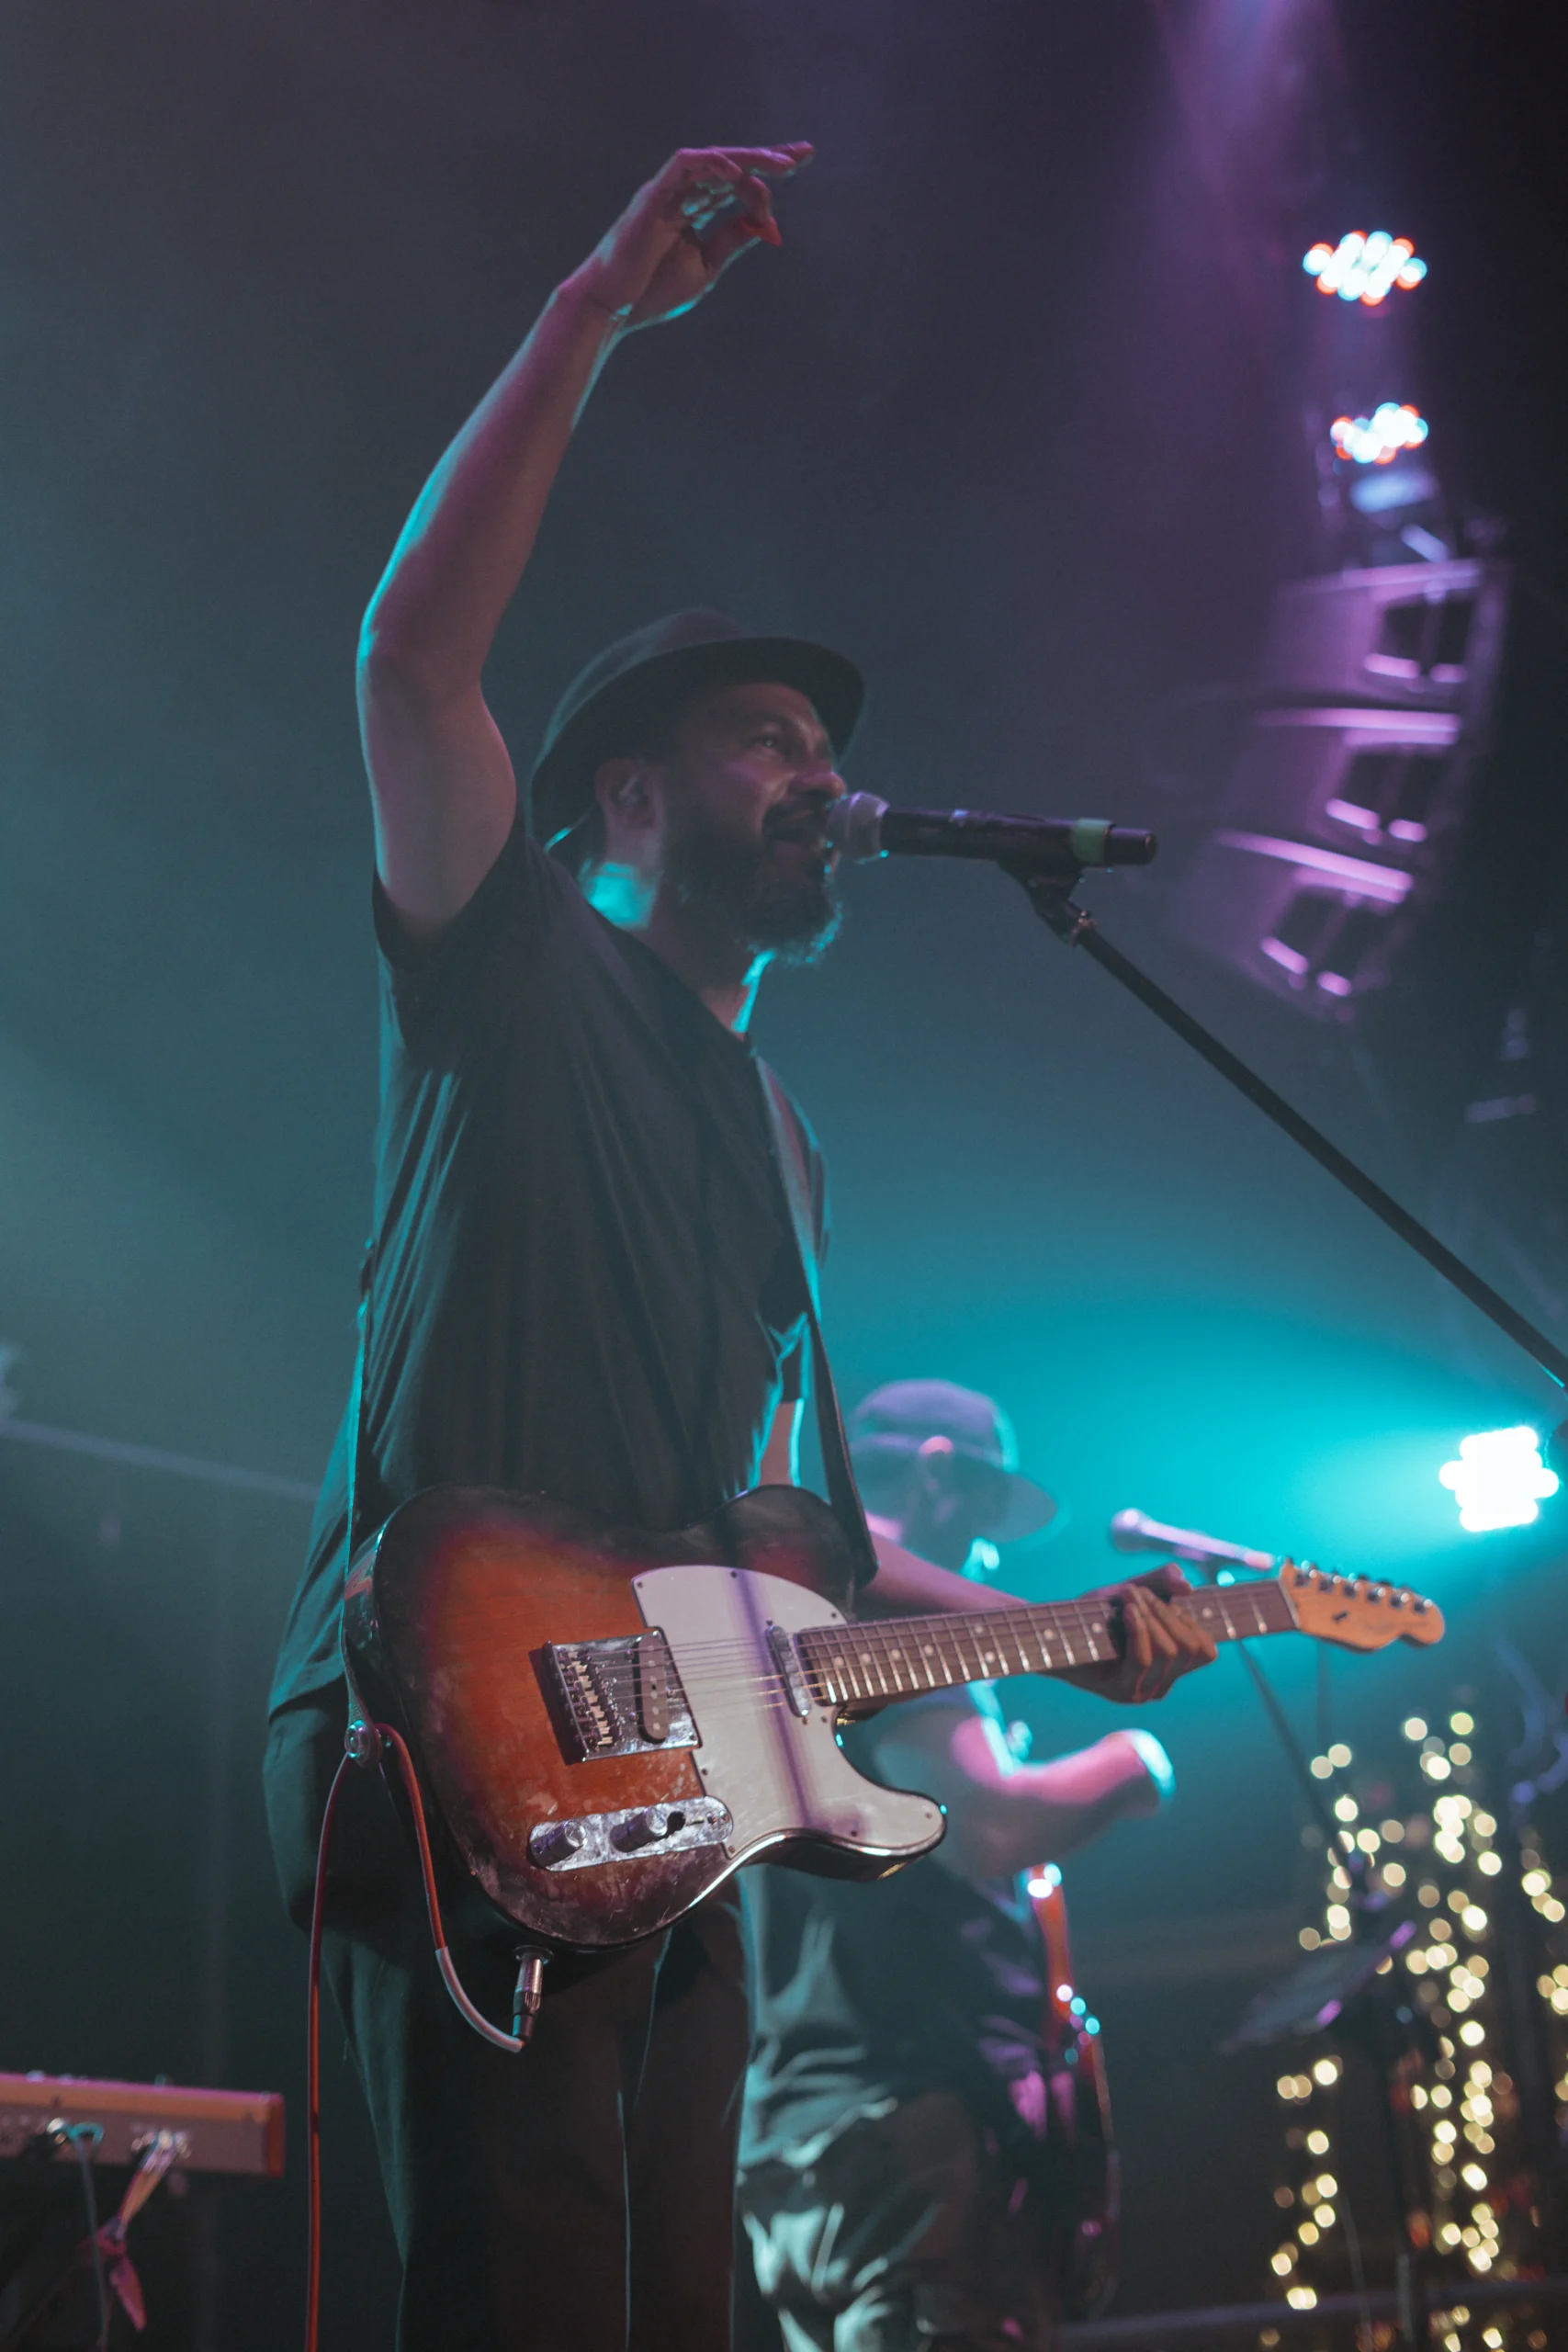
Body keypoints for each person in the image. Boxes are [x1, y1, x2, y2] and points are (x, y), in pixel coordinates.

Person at [259, 146, 1216, 2352]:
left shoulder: (784, 1145)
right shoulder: (509, 966)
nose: (815, 775)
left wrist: (1065, 1634)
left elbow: (788, 1551)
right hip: (452, 1727)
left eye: (823, 748)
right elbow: (410, 656)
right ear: (624, 794)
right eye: (765, 739)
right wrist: (594, 304)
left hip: (671, 1782)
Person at [741, 1381, 1176, 2352]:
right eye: (983, 1511)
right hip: (914, 2126)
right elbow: (990, 1826)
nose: (987, 1555)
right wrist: (1134, 1763)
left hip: (807, 2128)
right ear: (937, 1475)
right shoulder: (889, 1625)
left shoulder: (783, 1613)